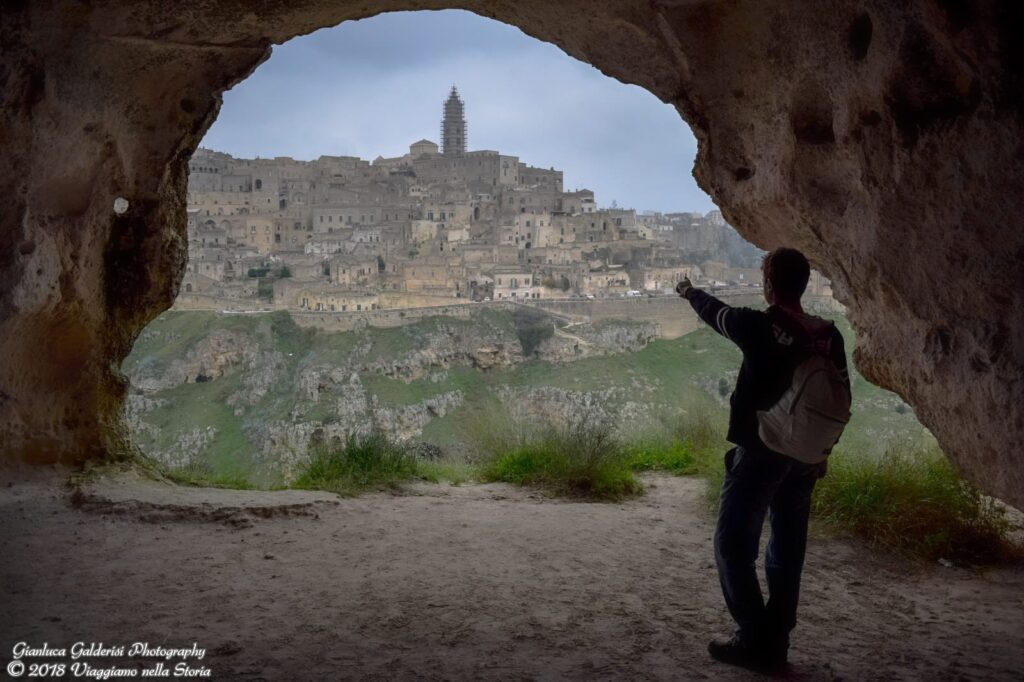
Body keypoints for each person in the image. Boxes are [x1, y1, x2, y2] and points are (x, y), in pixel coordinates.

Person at [676, 248, 850, 673]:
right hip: (806, 459)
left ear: (769, 285)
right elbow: (839, 400)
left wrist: (687, 290)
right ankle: (778, 639)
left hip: (760, 453)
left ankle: (756, 638)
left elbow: (714, 313)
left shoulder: (761, 326)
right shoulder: (829, 335)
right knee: (787, 550)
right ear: (804, 285)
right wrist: (822, 454)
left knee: (733, 547)